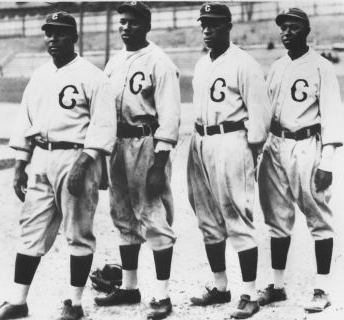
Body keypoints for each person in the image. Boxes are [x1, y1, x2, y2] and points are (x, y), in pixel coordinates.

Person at [0, 11, 116, 320]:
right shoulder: (40, 75)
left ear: (74, 37)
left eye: (59, 33)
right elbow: (25, 121)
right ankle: (18, 301)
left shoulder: (92, 76)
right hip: (42, 156)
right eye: (49, 33)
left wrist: (86, 162)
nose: (53, 39)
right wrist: (21, 163)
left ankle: (74, 303)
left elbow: (103, 125)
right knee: (30, 228)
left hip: (77, 157)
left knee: (78, 231)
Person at [94, 2, 181, 320]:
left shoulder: (159, 62)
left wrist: (160, 162)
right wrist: (103, 156)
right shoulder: (114, 62)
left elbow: (170, 116)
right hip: (117, 145)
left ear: (146, 26)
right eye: (122, 22)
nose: (125, 27)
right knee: (123, 217)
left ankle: (162, 294)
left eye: (132, 22)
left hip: (146, 142)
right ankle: (129, 287)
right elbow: (103, 112)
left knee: (153, 216)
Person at [187, 3, 271, 319]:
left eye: (215, 25)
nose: (208, 30)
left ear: (229, 26)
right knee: (207, 217)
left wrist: (250, 151)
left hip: (232, 140)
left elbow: (260, 116)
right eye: (204, 25)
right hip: (201, 141)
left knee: (238, 215)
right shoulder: (201, 64)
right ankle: (220, 287)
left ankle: (249, 294)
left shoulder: (244, 64)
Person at [257, 8, 343, 313]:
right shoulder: (278, 66)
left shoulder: (321, 67)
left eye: (293, 28)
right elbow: (266, 113)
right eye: (283, 28)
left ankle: (322, 289)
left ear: (306, 32)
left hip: (307, 145)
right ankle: (278, 286)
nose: (286, 33)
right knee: (276, 217)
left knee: (318, 217)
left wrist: (328, 162)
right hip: (276, 145)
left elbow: (332, 113)